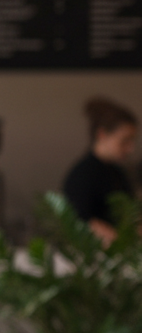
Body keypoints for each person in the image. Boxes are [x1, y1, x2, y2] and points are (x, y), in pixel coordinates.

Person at [62, 97, 138, 245]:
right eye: (124, 141)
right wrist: (121, 243)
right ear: (102, 134)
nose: (130, 149)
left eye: (132, 141)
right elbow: (80, 220)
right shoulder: (83, 174)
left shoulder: (118, 173)